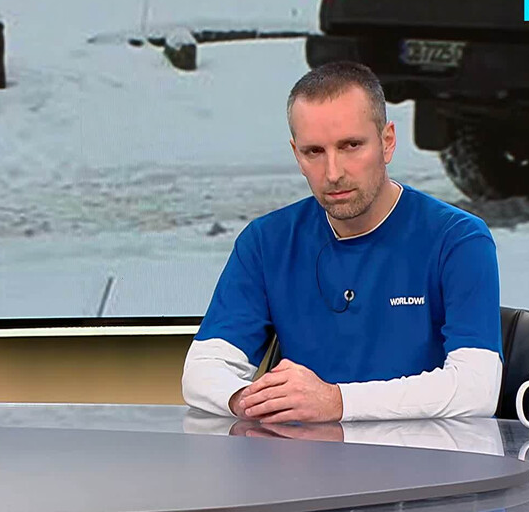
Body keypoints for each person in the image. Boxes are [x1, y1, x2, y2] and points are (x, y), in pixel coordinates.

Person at [181, 61, 503, 422]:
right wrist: (250, 400)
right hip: (305, 455)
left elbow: (477, 389)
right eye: (314, 152)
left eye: (351, 146)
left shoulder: (458, 238)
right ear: (297, 155)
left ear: (387, 142)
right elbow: (202, 370)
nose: (333, 173)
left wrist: (337, 402)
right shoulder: (265, 241)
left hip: (424, 454)